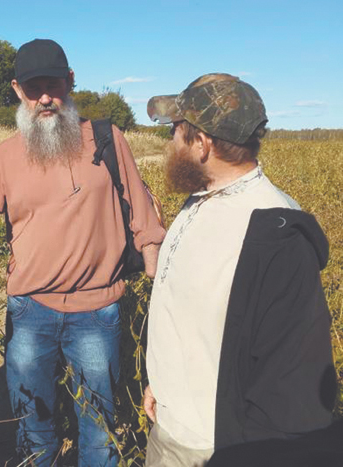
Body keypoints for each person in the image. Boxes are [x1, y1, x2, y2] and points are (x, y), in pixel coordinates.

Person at [0, 38, 165, 467]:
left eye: (54, 85)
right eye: (33, 87)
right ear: (17, 90)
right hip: (30, 313)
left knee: (99, 428)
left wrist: (162, 285)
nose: (45, 97)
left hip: (99, 312)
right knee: (33, 427)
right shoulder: (5, 155)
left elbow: (142, 216)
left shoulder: (106, 139)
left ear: (71, 81)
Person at [142, 73, 337, 466]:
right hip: (169, 420)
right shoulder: (202, 196)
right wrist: (160, 382)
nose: (170, 144)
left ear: (201, 143)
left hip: (209, 446)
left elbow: (289, 389)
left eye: (176, 133)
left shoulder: (275, 235)